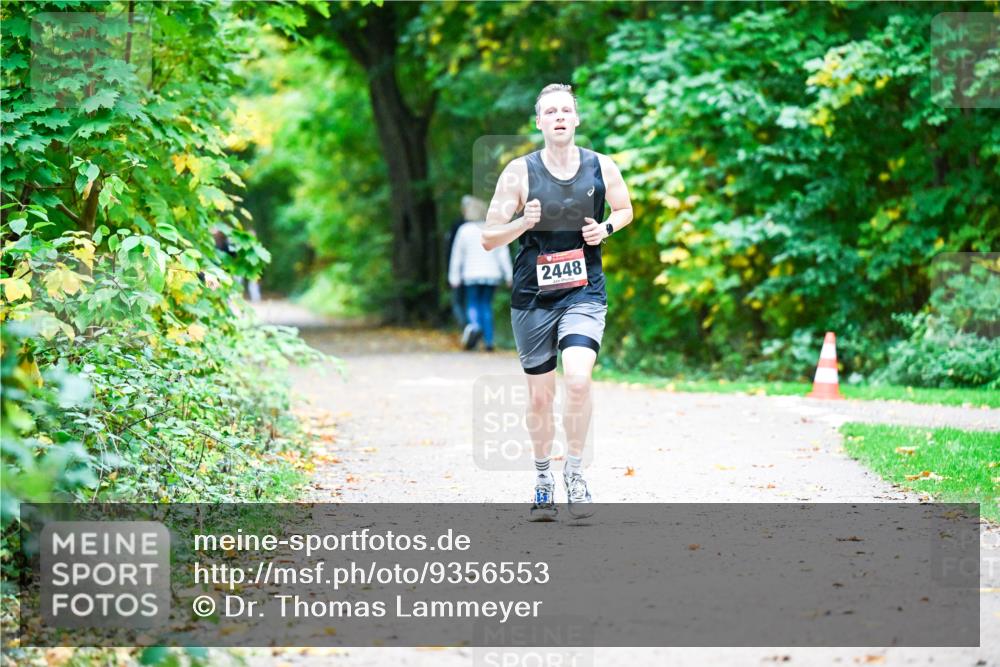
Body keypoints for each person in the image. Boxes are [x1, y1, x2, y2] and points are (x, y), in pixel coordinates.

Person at [481, 83, 633, 521]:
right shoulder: (518, 173)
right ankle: (543, 477)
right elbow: (489, 237)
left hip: (584, 292)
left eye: (567, 110)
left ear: (577, 119)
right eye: (551, 111)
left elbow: (624, 210)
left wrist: (605, 229)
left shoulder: (602, 166)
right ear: (540, 122)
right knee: (541, 399)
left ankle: (576, 473)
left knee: (579, 382)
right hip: (532, 298)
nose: (560, 116)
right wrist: (520, 223)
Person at [448, 195, 513, 351]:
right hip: (492, 275)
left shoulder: (464, 230)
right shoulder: (493, 229)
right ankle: (489, 341)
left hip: (471, 274)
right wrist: (509, 275)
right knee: (486, 305)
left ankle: (475, 328)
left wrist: (453, 276)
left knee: (473, 303)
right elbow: (502, 253)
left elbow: (457, 255)